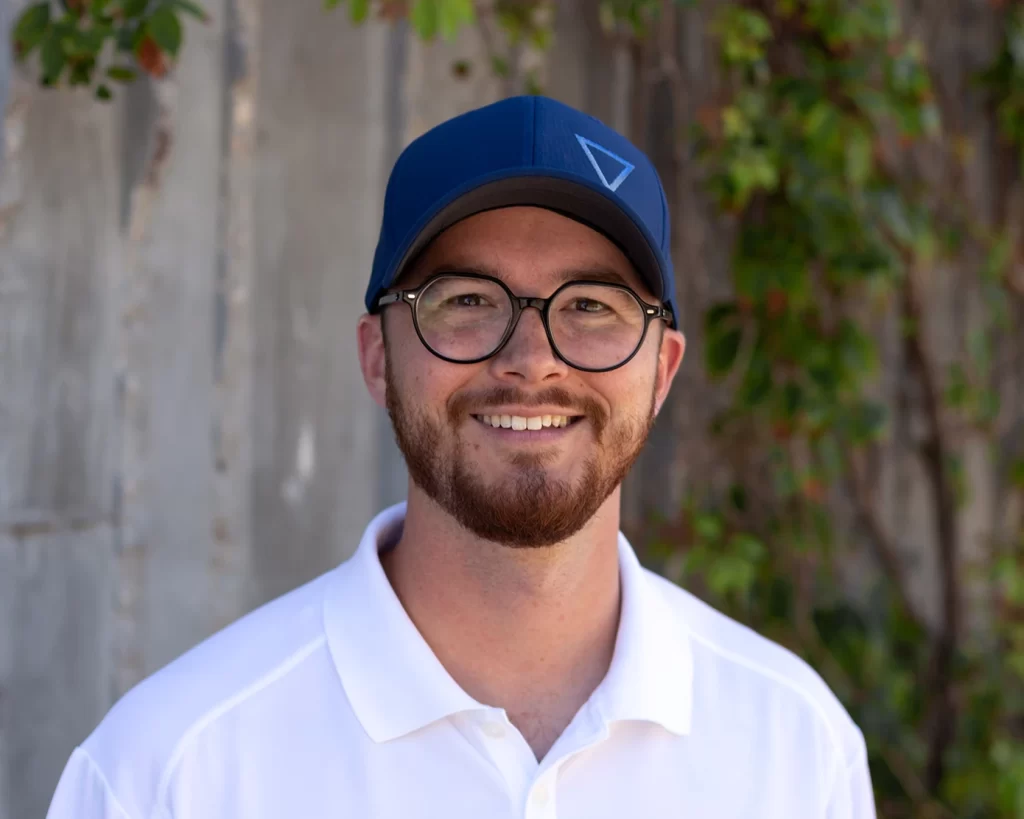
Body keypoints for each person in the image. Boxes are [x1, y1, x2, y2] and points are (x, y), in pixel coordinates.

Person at [47, 95, 875, 818]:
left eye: (591, 304)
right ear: (377, 356)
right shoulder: (169, 774)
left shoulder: (795, 748)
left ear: (660, 372)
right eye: (467, 301)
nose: (531, 359)